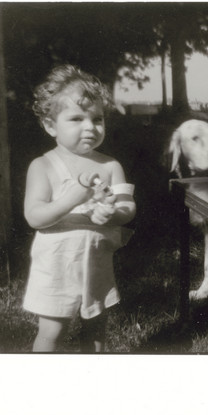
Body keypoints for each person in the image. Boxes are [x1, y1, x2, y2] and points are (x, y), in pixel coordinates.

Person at [22, 64, 136, 352]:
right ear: (51, 126)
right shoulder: (43, 166)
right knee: (52, 330)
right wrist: (70, 199)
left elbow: (127, 208)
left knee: (96, 328)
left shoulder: (110, 166)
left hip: (95, 262)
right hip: (56, 263)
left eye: (97, 119)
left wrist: (113, 214)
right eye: (76, 118)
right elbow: (34, 216)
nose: (90, 127)